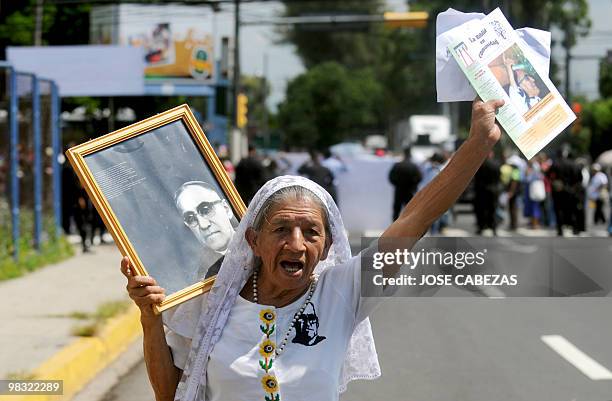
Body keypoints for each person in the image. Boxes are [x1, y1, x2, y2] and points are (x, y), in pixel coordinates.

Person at [121, 98, 505, 401]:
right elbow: (170, 395)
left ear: (327, 247)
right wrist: (150, 320)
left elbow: (415, 220)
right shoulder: (209, 302)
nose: (296, 244)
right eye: (282, 229)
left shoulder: (341, 292)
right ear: (253, 240)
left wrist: (477, 144)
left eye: (311, 232)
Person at [174, 181, 236, 279]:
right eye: (190, 218)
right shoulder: (199, 279)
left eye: (206, 210)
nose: (203, 225)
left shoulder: (259, 242)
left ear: (226, 208)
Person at [388, 147, 422, 220]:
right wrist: (413, 185)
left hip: (399, 191)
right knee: (410, 211)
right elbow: (419, 178)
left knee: (396, 210)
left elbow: (391, 177)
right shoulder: (413, 166)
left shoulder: (397, 165)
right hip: (410, 191)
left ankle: (394, 228)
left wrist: (397, 184)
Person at [473, 151, 500, 235]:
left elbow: (477, 178)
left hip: (483, 190)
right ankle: (493, 227)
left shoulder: (481, 164)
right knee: (493, 209)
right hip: (494, 189)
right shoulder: (497, 164)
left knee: (482, 209)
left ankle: (482, 227)